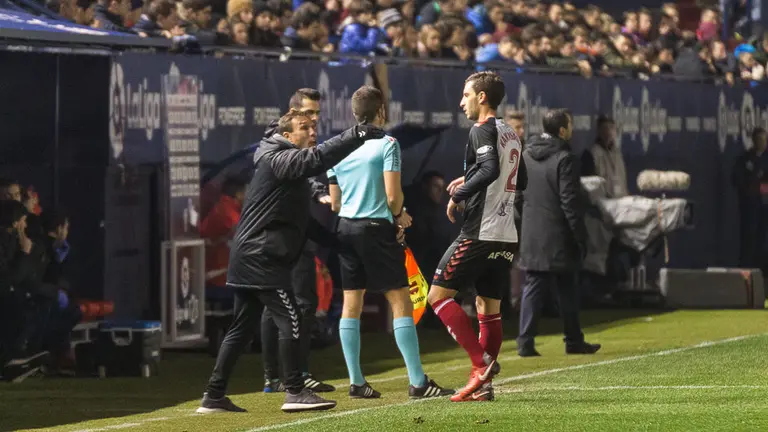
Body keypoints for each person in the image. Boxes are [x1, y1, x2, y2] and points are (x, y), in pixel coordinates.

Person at [197, 111, 385, 414]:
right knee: (292, 318)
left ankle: (214, 395)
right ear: (286, 135)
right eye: (304, 128)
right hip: (261, 258)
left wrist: (340, 245)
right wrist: (357, 134)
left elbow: (303, 223)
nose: (312, 132)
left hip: (251, 255)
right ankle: (295, 391)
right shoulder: (280, 158)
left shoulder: (286, 166)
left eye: (314, 127)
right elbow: (317, 159)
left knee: (241, 329)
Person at [327, 85, 452, 400]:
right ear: (381, 111)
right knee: (400, 301)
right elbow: (394, 195)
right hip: (375, 228)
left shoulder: (335, 148)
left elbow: (335, 203)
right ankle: (418, 382)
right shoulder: (387, 144)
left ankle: (357, 382)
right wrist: (399, 216)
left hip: (345, 228)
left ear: (355, 113)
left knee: (351, 304)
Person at [426, 71, 526, 403]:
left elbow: (489, 171)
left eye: (465, 95)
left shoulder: (481, 129)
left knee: (437, 296)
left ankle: (480, 363)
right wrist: (470, 178)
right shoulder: (510, 131)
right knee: (488, 307)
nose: (461, 102)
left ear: (481, 97)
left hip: (480, 232)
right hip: (507, 233)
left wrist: (458, 195)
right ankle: (483, 387)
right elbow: (518, 178)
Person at [261, 88, 336, 394]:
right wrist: (318, 191)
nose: (315, 121)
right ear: (293, 115)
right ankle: (274, 377)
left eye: (317, 115)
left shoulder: (302, 142)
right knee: (274, 305)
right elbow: (300, 171)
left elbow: (308, 170)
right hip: (276, 237)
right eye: (309, 115)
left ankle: (296, 373)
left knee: (303, 303)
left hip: (298, 233)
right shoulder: (274, 144)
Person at [515, 108, 601, 358]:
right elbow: (569, 202)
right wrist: (580, 236)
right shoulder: (566, 158)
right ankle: (571, 340)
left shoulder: (526, 154)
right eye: (571, 125)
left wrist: (530, 221)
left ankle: (527, 341)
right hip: (559, 234)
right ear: (562, 130)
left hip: (533, 232)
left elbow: (518, 196)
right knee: (566, 287)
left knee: (536, 285)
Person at [732, 127, 767, 271]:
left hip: (764, 205)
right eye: (759, 140)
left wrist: (762, 187)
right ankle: (745, 268)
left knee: (762, 239)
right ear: (753, 140)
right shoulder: (744, 159)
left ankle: (761, 269)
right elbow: (736, 179)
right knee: (748, 238)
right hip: (749, 206)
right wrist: (751, 186)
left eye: (765, 140)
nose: (762, 143)